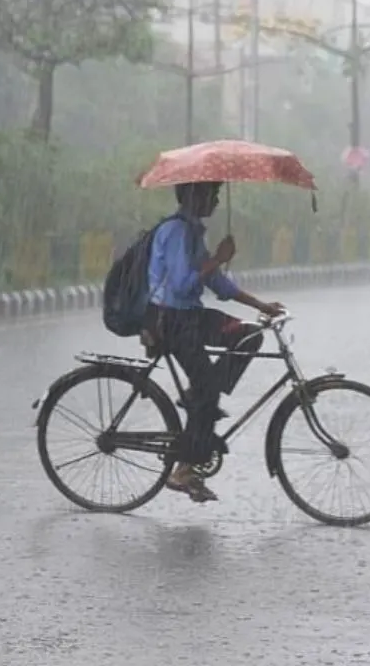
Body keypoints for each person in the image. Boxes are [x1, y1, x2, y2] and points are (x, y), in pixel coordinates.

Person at [144, 180, 284, 503]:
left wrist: (261, 306)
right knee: (207, 390)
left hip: (191, 316)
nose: (217, 201)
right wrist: (218, 258)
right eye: (212, 195)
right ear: (194, 196)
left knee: (248, 334)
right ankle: (183, 469)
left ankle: (201, 399)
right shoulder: (177, 232)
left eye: (218, 195)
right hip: (172, 320)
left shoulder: (192, 232)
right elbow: (181, 285)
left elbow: (218, 284)